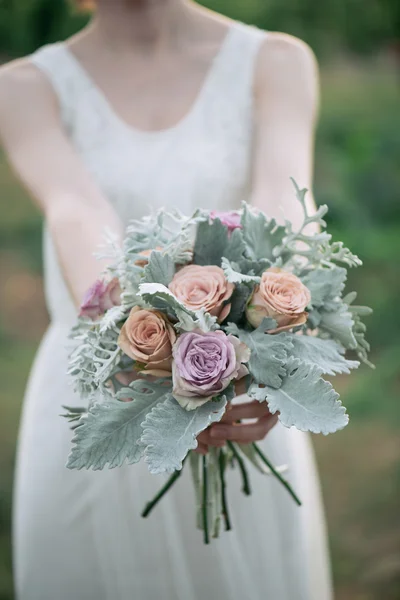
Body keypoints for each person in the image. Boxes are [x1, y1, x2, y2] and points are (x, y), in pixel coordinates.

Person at [0, 1, 332, 598]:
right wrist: (139, 348)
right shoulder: (25, 86)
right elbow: (76, 210)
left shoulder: (276, 61)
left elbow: (283, 207)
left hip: (242, 392)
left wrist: (256, 352)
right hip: (100, 390)